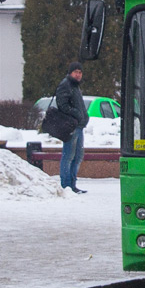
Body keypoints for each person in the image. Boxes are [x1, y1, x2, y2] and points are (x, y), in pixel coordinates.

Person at [56, 62, 90, 194]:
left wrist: (83, 117)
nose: (78, 74)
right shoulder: (66, 85)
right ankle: (66, 185)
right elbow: (63, 105)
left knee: (78, 156)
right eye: (76, 72)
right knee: (68, 155)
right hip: (71, 126)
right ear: (70, 73)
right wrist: (77, 115)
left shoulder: (75, 86)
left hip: (78, 126)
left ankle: (72, 184)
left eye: (80, 72)